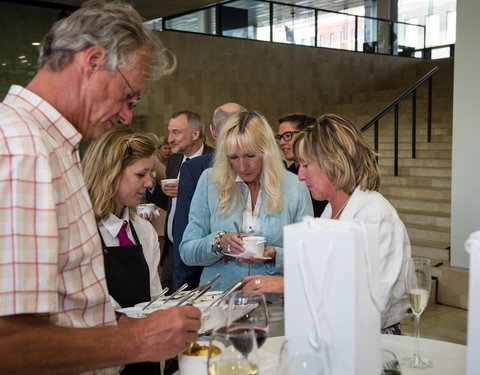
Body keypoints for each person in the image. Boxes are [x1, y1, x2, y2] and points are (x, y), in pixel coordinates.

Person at [0, 1, 200, 373]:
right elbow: (7, 343)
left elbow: (72, 306)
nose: (126, 115)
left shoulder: (49, 146)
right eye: (129, 97)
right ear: (92, 61)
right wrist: (136, 341)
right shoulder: (24, 151)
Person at [243, 113, 411, 333]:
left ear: (334, 163)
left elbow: (371, 304)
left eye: (306, 165)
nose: (300, 176)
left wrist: (288, 285)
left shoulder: (374, 215)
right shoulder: (332, 210)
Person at [180, 110, 313, 291]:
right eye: (233, 157)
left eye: (250, 156)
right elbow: (187, 251)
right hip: (219, 300)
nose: (242, 166)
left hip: (274, 301)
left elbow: (309, 255)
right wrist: (219, 242)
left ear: (266, 151)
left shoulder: (295, 186)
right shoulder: (210, 181)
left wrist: (275, 255)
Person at [83, 126, 163, 374]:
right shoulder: (82, 232)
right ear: (111, 174)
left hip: (145, 356)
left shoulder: (144, 231)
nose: (150, 183)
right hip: (103, 358)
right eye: (141, 175)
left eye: (150, 173)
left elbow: (154, 296)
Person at [173, 102, 246, 290]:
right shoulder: (201, 172)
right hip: (213, 284)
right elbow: (186, 235)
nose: (243, 166)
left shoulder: (280, 175)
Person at [146, 110, 214, 292]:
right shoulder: (175, 160)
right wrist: (153, 187)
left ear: (195, 134)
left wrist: (187, 191)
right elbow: (169, 201)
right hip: (171, 249)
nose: (170, 139)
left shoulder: (214, 161)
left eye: (176, 132)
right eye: (169, 132)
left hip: (199, 250)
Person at [276, 113, 328, 217]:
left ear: (306, 135)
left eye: (287, 136)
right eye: (280, 137)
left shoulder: (322, 172)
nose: (281, 142)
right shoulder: (288, 173)